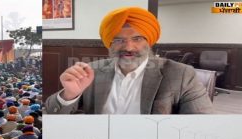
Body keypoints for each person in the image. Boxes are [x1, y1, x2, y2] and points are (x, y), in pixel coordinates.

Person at [45, 7, 213, 114]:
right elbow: (51, 112)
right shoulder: (91, 71)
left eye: (137, 39)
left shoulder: (181, 74)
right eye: (118, 40)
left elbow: (203, 121)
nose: (129, 47)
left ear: (149, 41)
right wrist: (69, 95)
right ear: (109, 43)